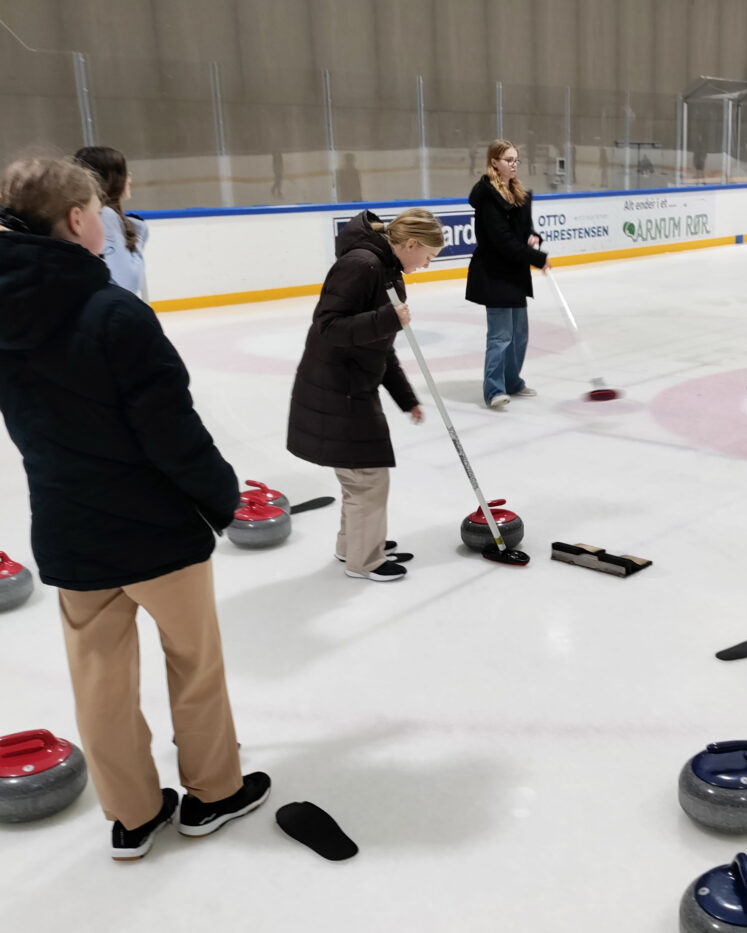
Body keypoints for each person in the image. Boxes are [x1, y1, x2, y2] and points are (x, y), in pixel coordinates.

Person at [0, 157, 268, 860]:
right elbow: (172, 434)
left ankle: (132, 814)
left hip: (70, 534)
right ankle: (214, 791)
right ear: (80, 220)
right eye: (100, 211)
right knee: (195, 665)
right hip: (155, 534)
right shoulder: (115, 312)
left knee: (99, 681)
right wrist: (221, 497)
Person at [287, 207, 442, 582]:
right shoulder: (363, 265)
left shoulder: (386, 269)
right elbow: (327, 325)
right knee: (367, 475)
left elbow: (380, 346)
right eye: (428, 256)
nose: (427, 265)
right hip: (337, 387)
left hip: (351, 384)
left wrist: (407, 398)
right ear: (410, 244)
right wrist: (387, 318)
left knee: (359, 475)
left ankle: (353, 545)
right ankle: (364, 560)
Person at [465, 139, 549, 410]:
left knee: (519, 334)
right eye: (508, 160)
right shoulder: (488, 198)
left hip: (514, 273)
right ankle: (494, 390)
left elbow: (523, 230)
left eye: (516, 160)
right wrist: (538, 259)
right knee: (501, 336)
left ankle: (512, 381)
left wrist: (533, 237)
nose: (514, 165)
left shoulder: (518, 192)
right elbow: (502, 242)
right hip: (495, 273)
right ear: (494, 163)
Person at [73, 145, 148, 296]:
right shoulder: (105, 216)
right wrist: (139, 235)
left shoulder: (82, 215)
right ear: (113, 179)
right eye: (125, 173)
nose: (129, 179)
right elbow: (127, 284)